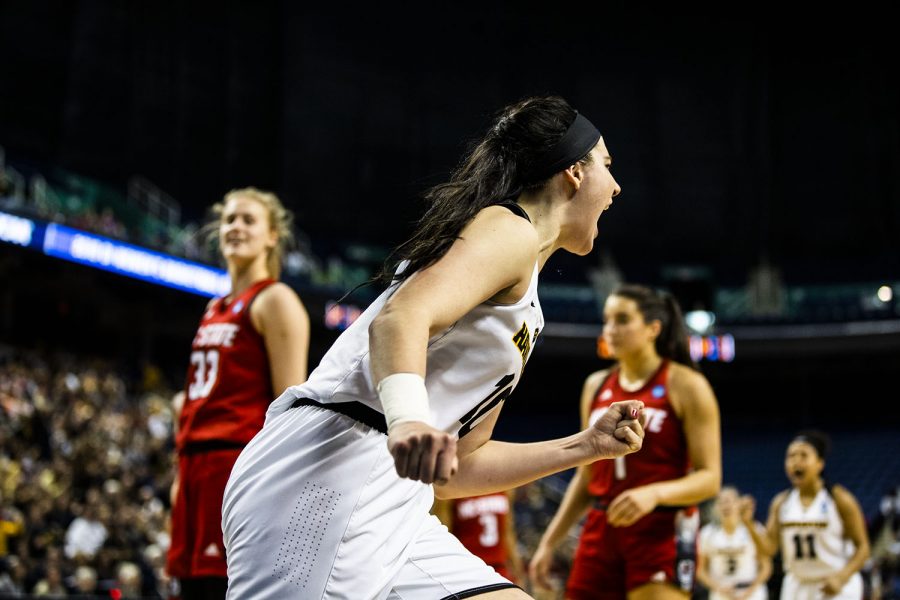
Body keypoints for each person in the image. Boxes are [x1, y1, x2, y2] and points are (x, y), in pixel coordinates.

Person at [221, 94, 647, 600]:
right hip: (330, 470)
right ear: (574, 172)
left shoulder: (525, 295)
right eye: (607, 166)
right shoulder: (510, 229)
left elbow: (460, 468)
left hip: (397, 493)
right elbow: (402, 319)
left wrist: (584, 446)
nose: (616, 187)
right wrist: (408, 423)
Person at [529, 284, 722, 599]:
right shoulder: (595, 385)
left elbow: (710, 479)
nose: (610, 329)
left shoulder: (687, 384)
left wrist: (654, 494)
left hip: (661, 528)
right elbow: (585, 475)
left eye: (622, 320)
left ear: (652, 329)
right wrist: (550, 542)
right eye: (606, 320)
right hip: (601, 527)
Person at [165, 187, 310, 600]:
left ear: (271, 237)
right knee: (188, 589)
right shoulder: (213, 307)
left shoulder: (275, 299)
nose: (235, 227)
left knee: (222, 588)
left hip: (233, 465)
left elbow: (290, 408)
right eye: (229, 219)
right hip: (193, 468)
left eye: (248, 220)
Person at [743, 430, 871, 600]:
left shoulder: (839, 499)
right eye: (791, 456)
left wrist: (842, 577)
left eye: (803, 455)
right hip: (797, 584)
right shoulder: (781, 502)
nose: (796, 461)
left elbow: (863, 548)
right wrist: (748, 523)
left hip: (834, 582)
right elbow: (769, 548)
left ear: (820, 463)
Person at [433, 489, 527, 586]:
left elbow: (507, 531)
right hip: (466, 570)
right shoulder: (449, 490)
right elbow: (442, 533)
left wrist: (517, 570)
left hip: (498, 567)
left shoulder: (505, 487)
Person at [696, 487, 772, 600]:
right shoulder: (707, 534)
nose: (726, 506)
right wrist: (717, 588)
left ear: (739, 504)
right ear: (716, 507)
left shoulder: (754, 529)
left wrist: (751, 589)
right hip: (721, 592)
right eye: (722, 502)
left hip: (752, 593)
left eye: (730, 501)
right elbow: (700, 570)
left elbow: (766, 566)